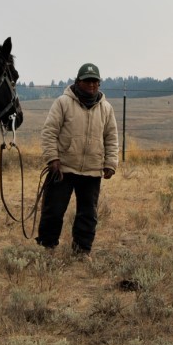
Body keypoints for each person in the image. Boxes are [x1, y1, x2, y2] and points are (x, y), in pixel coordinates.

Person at [36, 62, 119, 255]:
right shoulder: (63, 103)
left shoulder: (106, 108)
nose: (91, 85)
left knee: (88, 214)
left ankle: (82, 251)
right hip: (63, 168)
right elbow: (49, 132)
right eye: (87, 81)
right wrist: (52, 158)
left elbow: (112, 138)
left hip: (92, 169)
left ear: (99, 84)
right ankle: (47, 248)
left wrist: (110, 163)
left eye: (95, 81)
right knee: (53, 210)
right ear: (78, 82)